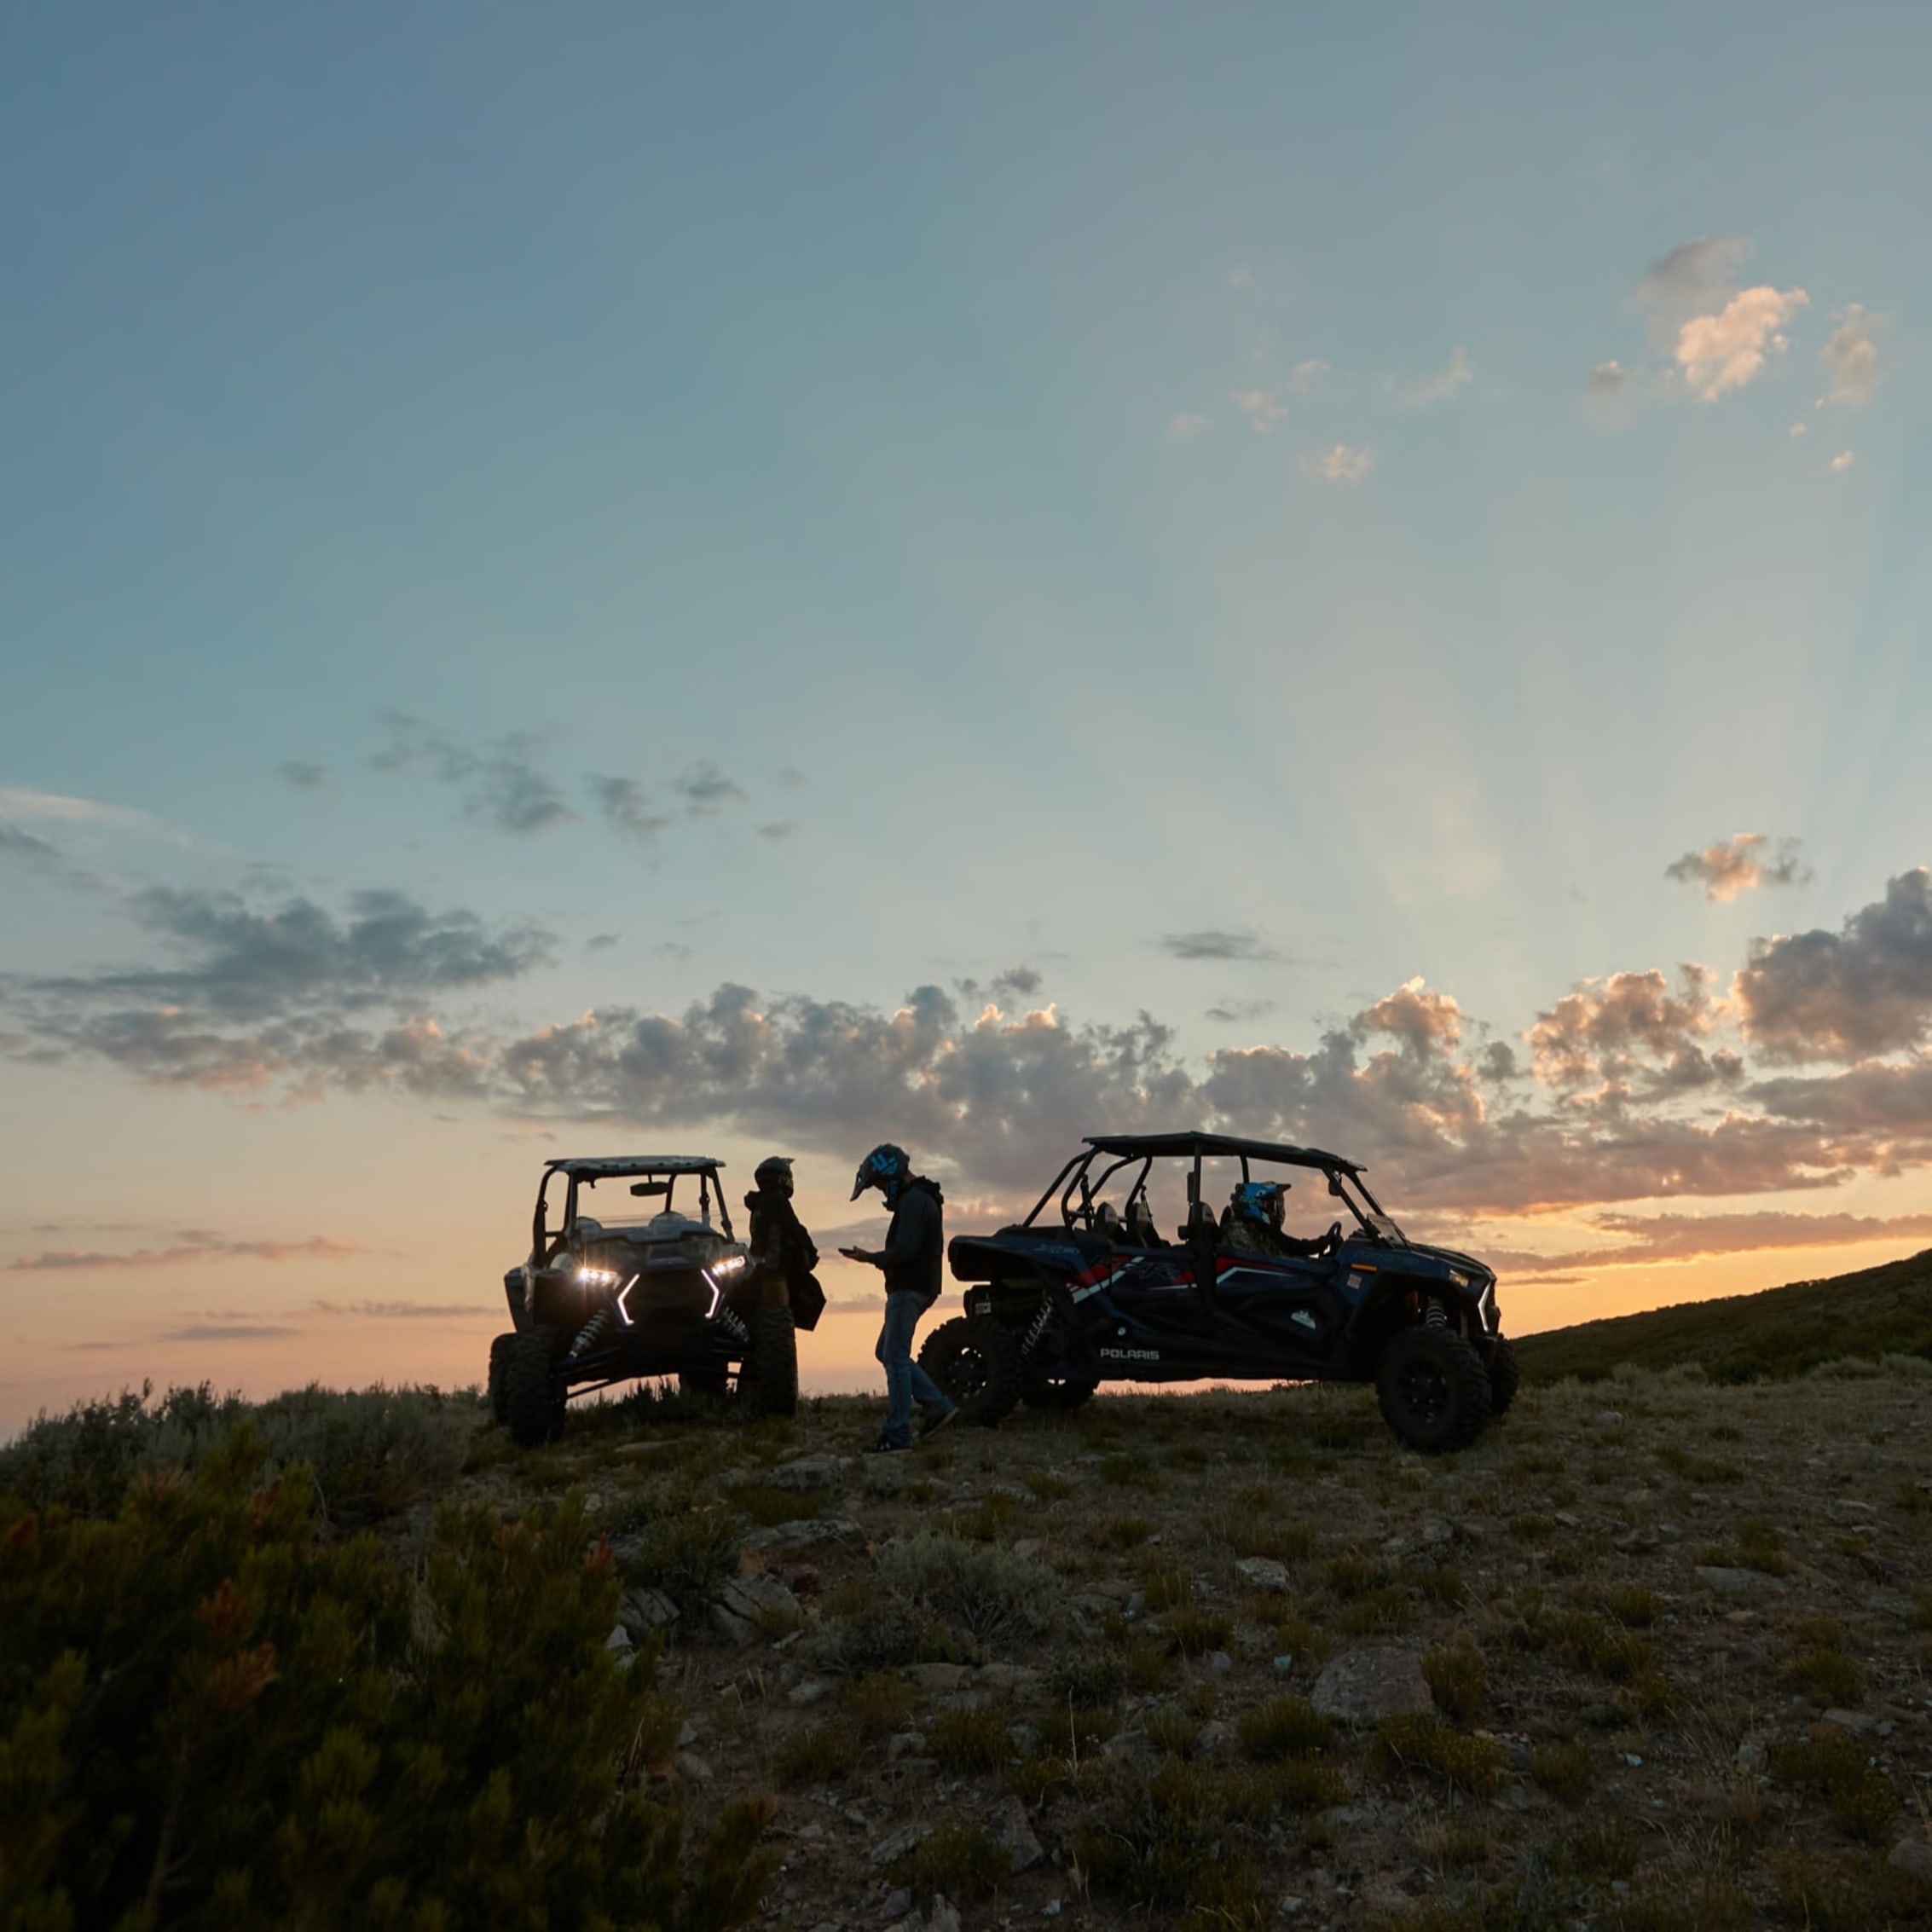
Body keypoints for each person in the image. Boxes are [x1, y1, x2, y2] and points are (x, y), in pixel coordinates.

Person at [839, 1142, 957, 1451]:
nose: (881, 1192)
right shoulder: (920, 1198)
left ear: (890, 1175)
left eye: (879, 1185)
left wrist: (871, 1258)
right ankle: (937, 1405)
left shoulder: (914, 1201)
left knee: (894, 1357)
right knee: (887, 1351)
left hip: (909, 1288)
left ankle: (897, 1434)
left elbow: (905, 1251)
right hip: (915, 1287)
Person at [744, 1156, 824, 1332]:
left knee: (764, 1328)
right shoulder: (777, 1202)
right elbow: (795, 1230)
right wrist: (810, 1251)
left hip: (759, 1272)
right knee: (778, 1327)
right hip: (776, 1274)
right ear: (782, 1178)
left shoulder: (759, 1205)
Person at [1225, 1180, 1339, 1259]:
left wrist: (1323, 1259)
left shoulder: (1259, 1231)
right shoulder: (1238, 1231)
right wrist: (1318, 1245)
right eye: (1271, 1206)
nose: (1276, 1212)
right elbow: (1281, 1258)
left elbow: (1288, 1252)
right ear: (1254, 1204)